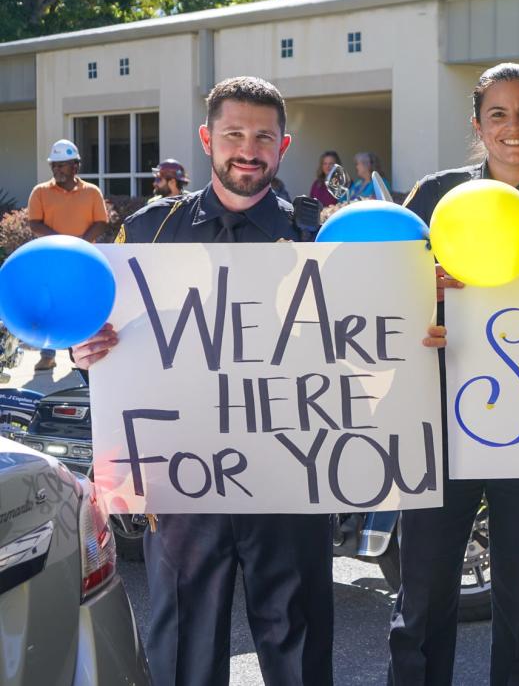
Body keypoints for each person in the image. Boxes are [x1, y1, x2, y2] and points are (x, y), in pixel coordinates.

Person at [69, 76, 332, 686]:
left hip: (288, 482)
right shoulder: (151, 232)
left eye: (263, 136)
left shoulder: (318, 236)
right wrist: (89, 352)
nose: (249, 148)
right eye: (234, 133)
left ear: (283, 145)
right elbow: (114, 341)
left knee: (299, 650)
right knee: (183, 653)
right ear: (207, 139)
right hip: (183, 484)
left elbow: (363, 350)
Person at [389, 63, 519, 686]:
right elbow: (379, 294)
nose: (514, 127)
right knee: (420, 603)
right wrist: (426, 295)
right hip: (443, 424)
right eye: (498, 113)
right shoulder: (436, 197)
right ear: (478, 125)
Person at [27, 138, 108, 370]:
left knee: (80, 303)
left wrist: (79, 244)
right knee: (50, 304)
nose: (56, 169)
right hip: (52, 259)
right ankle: (48, 353)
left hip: (82, 259)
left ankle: (81, 352)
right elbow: (35, 223)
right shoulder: (40, 192)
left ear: (75, 166)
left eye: (61, 165)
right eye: (54, 165)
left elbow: (101, 222)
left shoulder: (91, 192)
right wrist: (60, 243)